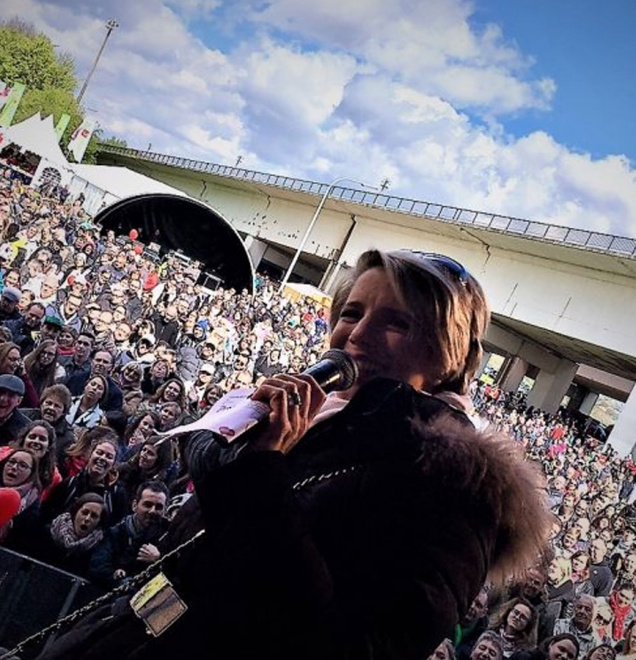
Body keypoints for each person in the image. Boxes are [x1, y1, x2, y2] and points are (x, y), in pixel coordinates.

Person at [35, 249, 552, 660]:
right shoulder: (319, 429)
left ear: (451, 357)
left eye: (397, 323)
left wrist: (262, 470)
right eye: (351, 312)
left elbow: (348, 645)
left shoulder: (456, 489)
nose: (357, 335)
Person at [88, 480, 169, 588]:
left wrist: (159, 560)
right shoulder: (115, 533)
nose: (152, 511)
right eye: (147, 505)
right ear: (135, 505)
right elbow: (98, 566)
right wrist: (119, 580)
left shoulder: (168, 536)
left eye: (159, 507)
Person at [37, 492, 107, 578]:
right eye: (84, 512)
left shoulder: (98, 549)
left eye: (94, 516)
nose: (87, 519)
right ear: (75, 512)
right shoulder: (50, 531)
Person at [0, 447, 42, 550]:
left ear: (31, 473)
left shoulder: (31, 509)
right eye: (11, 462)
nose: (14, 467)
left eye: (22, 465)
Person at [0, 373, 30, 445]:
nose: (3, 399)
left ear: (19, 401)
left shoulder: (25, 429)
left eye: (11, 395)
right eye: (1, 392)